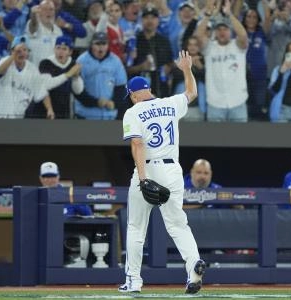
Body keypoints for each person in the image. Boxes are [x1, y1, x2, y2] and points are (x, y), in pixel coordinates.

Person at [120, 50, 205, 294]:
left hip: (148, 168)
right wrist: (187, 69)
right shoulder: (169, 103)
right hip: (172, 170)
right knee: (178, 224)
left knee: (136, 227)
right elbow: (192, 93)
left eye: (131, 95)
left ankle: (133, 280)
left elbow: (137, 144)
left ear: (135, 94)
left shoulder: (133, 111)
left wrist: (143, 178)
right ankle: (193, 266)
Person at [195, 0, 249, 122]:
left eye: (225, 29)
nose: (222, 32)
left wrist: (230, 14)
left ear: (230, 32)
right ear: (215, 32)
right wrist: (207, 15)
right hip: (215, 104)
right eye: (219, 29)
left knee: (241, 141)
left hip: (238, 102)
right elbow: (198, 36)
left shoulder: (238, 46)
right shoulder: (209, 47)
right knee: (215, 141)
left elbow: (243, 35)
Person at [37, 35, 83, 119]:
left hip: (64, 111)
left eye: (64, 49)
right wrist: (67, 75)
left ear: (70, 52)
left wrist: (76, 78)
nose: (60, 52)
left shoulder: (73, 64)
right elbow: (47, 84)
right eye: (58, 48)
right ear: (54, 49)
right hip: (45, 110)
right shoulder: (46, 63)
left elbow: (78, 91)